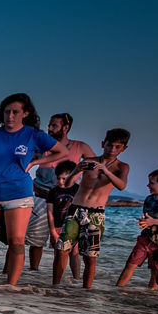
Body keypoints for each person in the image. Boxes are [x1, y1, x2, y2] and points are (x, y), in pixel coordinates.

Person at [0, 93, 72, 288]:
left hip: (19, 193)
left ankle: (11, 287)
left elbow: (63, 151)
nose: (10, 116)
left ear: (25, 113)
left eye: (15, 112)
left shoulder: (32, 135)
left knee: (16, 242)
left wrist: (35, 162)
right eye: (6, 112)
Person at [54, 128, 130, 288]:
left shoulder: (121, 167)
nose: (112, 149)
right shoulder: (89, 161)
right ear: (103, 144)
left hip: (96, 214)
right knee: (61, 250)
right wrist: (77, 169)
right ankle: (55, 287)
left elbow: (122, 186)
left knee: (90, 256)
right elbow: (67, 184)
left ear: (124, 148)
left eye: (117, 147)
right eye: (109, 145)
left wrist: (106, 171)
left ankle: (85, 293)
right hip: (75, 210)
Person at [23, 113, 91, 270]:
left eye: (54, 125)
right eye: (49, 125)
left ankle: (72, 284)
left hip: (67, 202)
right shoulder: (42, 145)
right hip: (41, 198)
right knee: (36, 242)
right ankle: (34, 275)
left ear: (65, 128)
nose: (49, 128)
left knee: (70, 247)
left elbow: (95, 168)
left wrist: (82, 185)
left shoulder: (80, 147)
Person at [43, 161, 81, 283]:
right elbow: (49, 213)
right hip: (58, 227)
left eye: (64, 178)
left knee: (74, 253)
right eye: (58, 178)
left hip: (74, 226)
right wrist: (52, 231)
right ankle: (59, 281)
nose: (60, 182)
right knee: (59, 254)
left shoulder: (78, 190)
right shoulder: (53, 192)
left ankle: (76, 279)